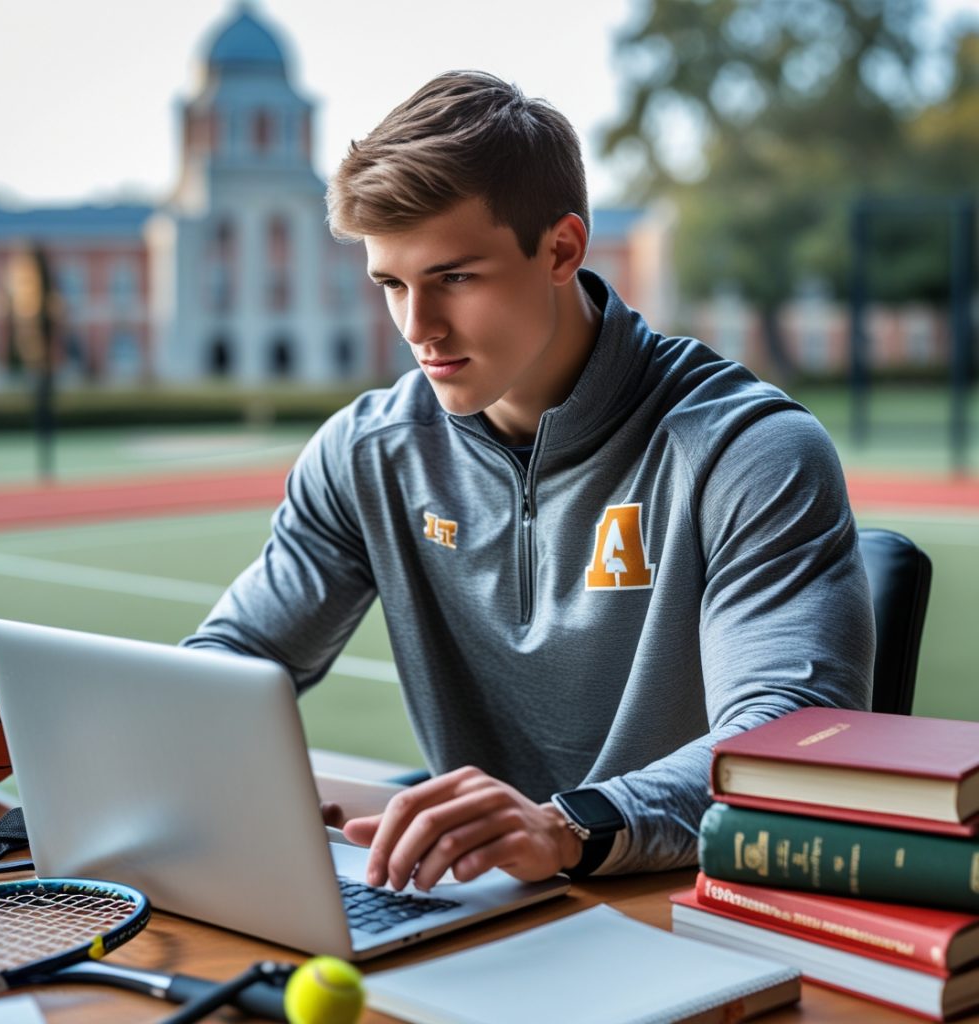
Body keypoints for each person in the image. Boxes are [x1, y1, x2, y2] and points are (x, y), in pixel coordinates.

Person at [183, 70, 874, 891]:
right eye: (392, 285)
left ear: (562, 249)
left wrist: (566, 826)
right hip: (483, 908)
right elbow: (225, 664)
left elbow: (788, 744)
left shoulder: (749, 452)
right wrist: (228, 782)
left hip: (694, 911)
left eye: (455, 277)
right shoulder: (366, 453)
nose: (418, 328)